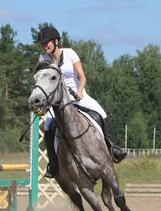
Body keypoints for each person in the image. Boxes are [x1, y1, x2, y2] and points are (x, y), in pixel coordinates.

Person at [35, 26, 127, 178]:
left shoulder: (70, 53)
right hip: (58, 102)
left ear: (56, 41)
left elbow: (82, 76)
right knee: (47, 127)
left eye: (47, 43)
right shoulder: (44, 60)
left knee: (101, 113)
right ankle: (53, 164)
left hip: (78, 96)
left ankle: (113, 148)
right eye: (42, 44)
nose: (45, 46)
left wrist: (80, 90)